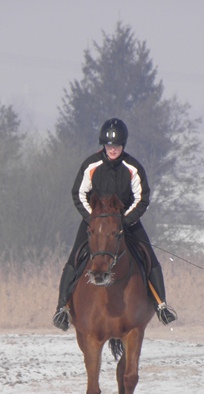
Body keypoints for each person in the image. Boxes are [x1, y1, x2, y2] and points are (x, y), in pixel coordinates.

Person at [52, 117, 178, 331]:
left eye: (117, 146)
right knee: (75, 256)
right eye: (109, 146)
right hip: (95, 223)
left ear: (123, 146)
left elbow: (142, 198)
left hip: (126, 222)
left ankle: (161, 306)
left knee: (149, 256)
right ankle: (62, 309)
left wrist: (124, 221)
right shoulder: (91, 165)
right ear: (104, 145)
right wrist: (92, 219)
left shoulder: (132, 167)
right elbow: (79, 194)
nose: (113, 150)